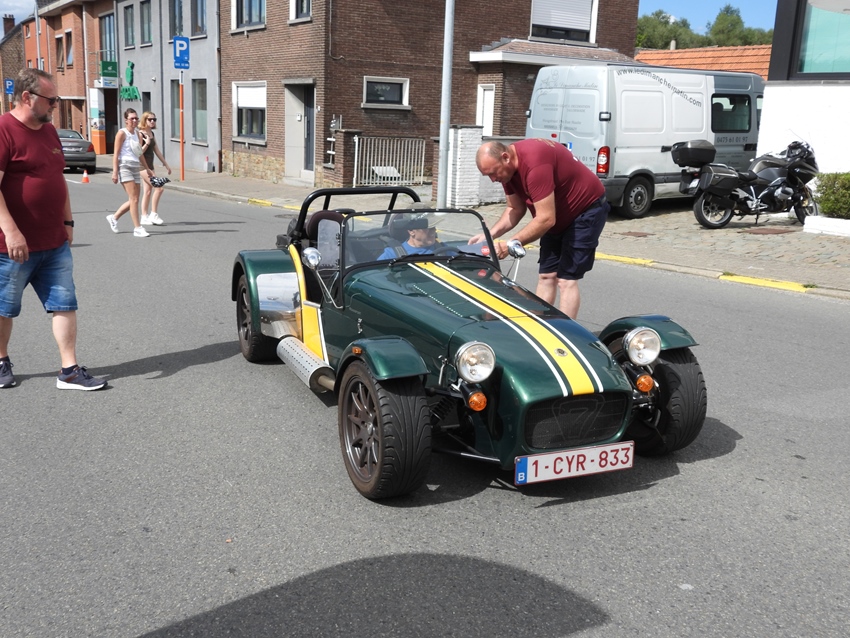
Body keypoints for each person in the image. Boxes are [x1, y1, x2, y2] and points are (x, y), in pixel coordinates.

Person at [0, 68, 107, 390]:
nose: (56, 105)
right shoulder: (4, 129)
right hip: (11, 246)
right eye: (51, 99)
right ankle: (1, 361)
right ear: (27, 97)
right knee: (4, 308)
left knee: (65, 303)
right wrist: (12, 232)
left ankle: (69, 370)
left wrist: (68, 221)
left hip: (54, 241)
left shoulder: (48, 131)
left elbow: (55, 179)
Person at [474, 139, 610, 318]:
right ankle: (538, 325)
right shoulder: (507, 171)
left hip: (585, 211)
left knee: (566, 280)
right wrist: (489, 235)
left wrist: (510, 244)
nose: (493, 180)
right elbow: (515, 209)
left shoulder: (534, 165)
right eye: (488, 176)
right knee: (546, 276)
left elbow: (546, 219)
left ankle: (564, 331)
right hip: (554, 216)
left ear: (505, 157)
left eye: (493, 173)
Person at [113, 111, 171, 226]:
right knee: (158, 188)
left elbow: (155, 151)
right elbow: (138, 152)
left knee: (146, 192)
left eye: (154, 119)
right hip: (138, 166)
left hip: (147, 165)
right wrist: (115, 172)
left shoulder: (148, 134)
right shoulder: (138, 134)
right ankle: (152, 215)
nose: (153, 121)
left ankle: (142, 216)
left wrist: (165, 164)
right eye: (150, 119)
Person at [106, 108, 153, 237]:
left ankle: (114, 218)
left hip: (135, 167)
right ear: (126, 120)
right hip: (124, 166)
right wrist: (115, 172)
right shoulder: (122, 133)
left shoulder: (138, 134)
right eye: (132, 118)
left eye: (136, 118)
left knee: (134, 199)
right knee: (134, 199)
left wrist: (147, 168)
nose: (134, 120)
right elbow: (116, 154)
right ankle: (137, 228)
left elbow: (139, 153)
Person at [377, 213, 446, 260]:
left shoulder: (443, 250)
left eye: (434, 226)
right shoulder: (391, 254)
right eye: (427, 228)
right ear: (411, 231)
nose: (433, 230)